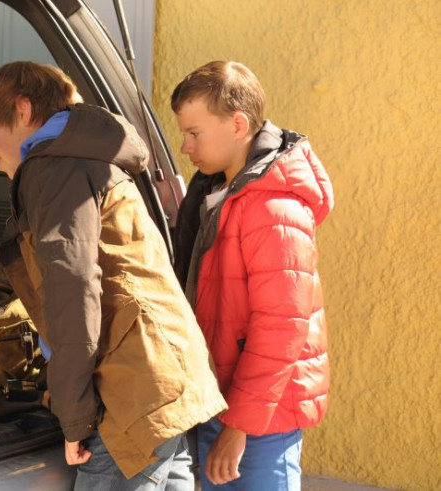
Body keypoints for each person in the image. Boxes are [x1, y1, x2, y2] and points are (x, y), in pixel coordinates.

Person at [0, 61, 227, 490]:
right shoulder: (82, 160)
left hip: (132, 393)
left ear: (22, 110)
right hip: (168, 376)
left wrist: (74, 416)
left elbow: (72, 290)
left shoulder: (51, 168)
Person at [170, 60, 334, 490]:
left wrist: (238, 426)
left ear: (238, 124)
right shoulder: (216, 195)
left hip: (260, 422)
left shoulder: (274, 209)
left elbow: (281, 327)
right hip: (222, 404)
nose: (185, 146)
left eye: (194, 133)